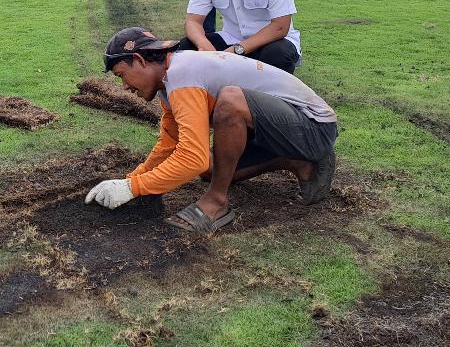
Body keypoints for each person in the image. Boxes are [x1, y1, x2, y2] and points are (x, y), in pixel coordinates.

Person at [85, 27, 338, 234]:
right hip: (282, 133)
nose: (124, 87)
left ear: (139, 60)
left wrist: (133, 188)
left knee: (229, 103)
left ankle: (216, 202)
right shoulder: (168, 84)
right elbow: (170, 143)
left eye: (122, 75)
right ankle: (299, 162)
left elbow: (190, 158)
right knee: (208, 167)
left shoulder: (182, 73)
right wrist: (130, 181)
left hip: (314, 128)